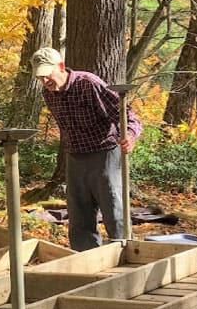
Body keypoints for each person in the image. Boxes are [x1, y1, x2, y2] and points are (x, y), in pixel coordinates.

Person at [33, 46, 141, 250]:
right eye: (40, 78)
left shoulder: (88, 84)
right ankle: (86, 260)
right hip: (74, 157)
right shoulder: (48, 93)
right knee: (79, 215)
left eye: (48, 75)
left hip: (105, 154)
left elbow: (125, 114)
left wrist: (130, 135)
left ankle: (126, 255)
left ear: (61, 67)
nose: (45, 82)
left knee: (114, 210)